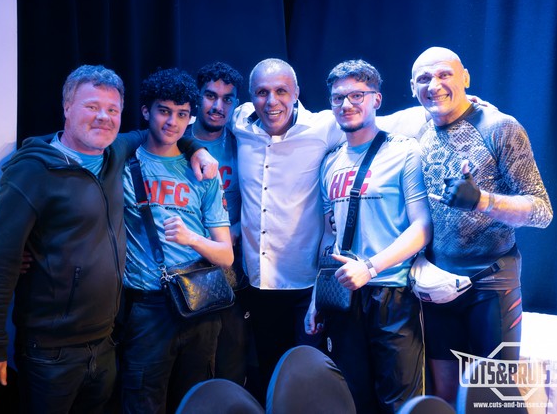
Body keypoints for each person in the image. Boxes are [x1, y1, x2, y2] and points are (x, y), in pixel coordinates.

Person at [0, 64, 217, 413]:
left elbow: (161, 133)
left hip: (106, 343)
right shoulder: (33, 170)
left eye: (112, 110)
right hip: (50, 352)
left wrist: (196, 148)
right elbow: (0, 261)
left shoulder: (116, 153)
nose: (104, 117)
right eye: (92, 106)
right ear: (67, 107)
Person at [408, 47, 553, 404]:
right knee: (443, 395)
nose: (434, 85)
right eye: (424, 78)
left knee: (494, 396)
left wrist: (482, 200)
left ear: (465, 78)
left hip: (492, 281)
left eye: (444, 75)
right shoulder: (418, 131)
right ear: (412, 88)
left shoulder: (500, 127)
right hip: (438, 284)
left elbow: (541, 210)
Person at [305, 59, 432, 413]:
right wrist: (317, 298)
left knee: (400, 403)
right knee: (351, 399)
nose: (346, 104)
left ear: (376, 99)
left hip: (392, 292)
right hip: (343, 295)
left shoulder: (404, 151)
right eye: (338, 98)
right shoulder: (330, 162)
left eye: (357, 95)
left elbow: (422, 227)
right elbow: (329, 235)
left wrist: (371, 267)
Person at [118, 67, 233, 414]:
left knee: (197, 402)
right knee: (142, 402)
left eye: (183, 114)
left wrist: (191, 238)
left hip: (200, 302)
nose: (173, 122)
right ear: (146, 111)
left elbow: (226, 256)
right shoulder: (123, 165)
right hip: (148, 307)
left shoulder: (203, 171)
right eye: (164, 111)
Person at [231, 58, 344, 401]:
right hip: (258, 280)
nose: (271, 101)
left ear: (296, 93)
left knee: (309, 378)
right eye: (262, 92)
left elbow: (378, 122)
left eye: (281, 91)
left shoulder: (323, 127)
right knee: (269, 374)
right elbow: (191, 125)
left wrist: (459, 107)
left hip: (305, 283)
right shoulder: (241, 121)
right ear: (250, 96)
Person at [184, 61, 252, 386]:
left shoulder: (243, 143)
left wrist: (235, 232)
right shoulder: (177, 138)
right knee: (190, 366)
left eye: (227, 98)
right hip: (185, 264)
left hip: (230, 266)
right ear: (197, 97)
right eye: (211, 96)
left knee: (231, 361)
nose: (218, 106)